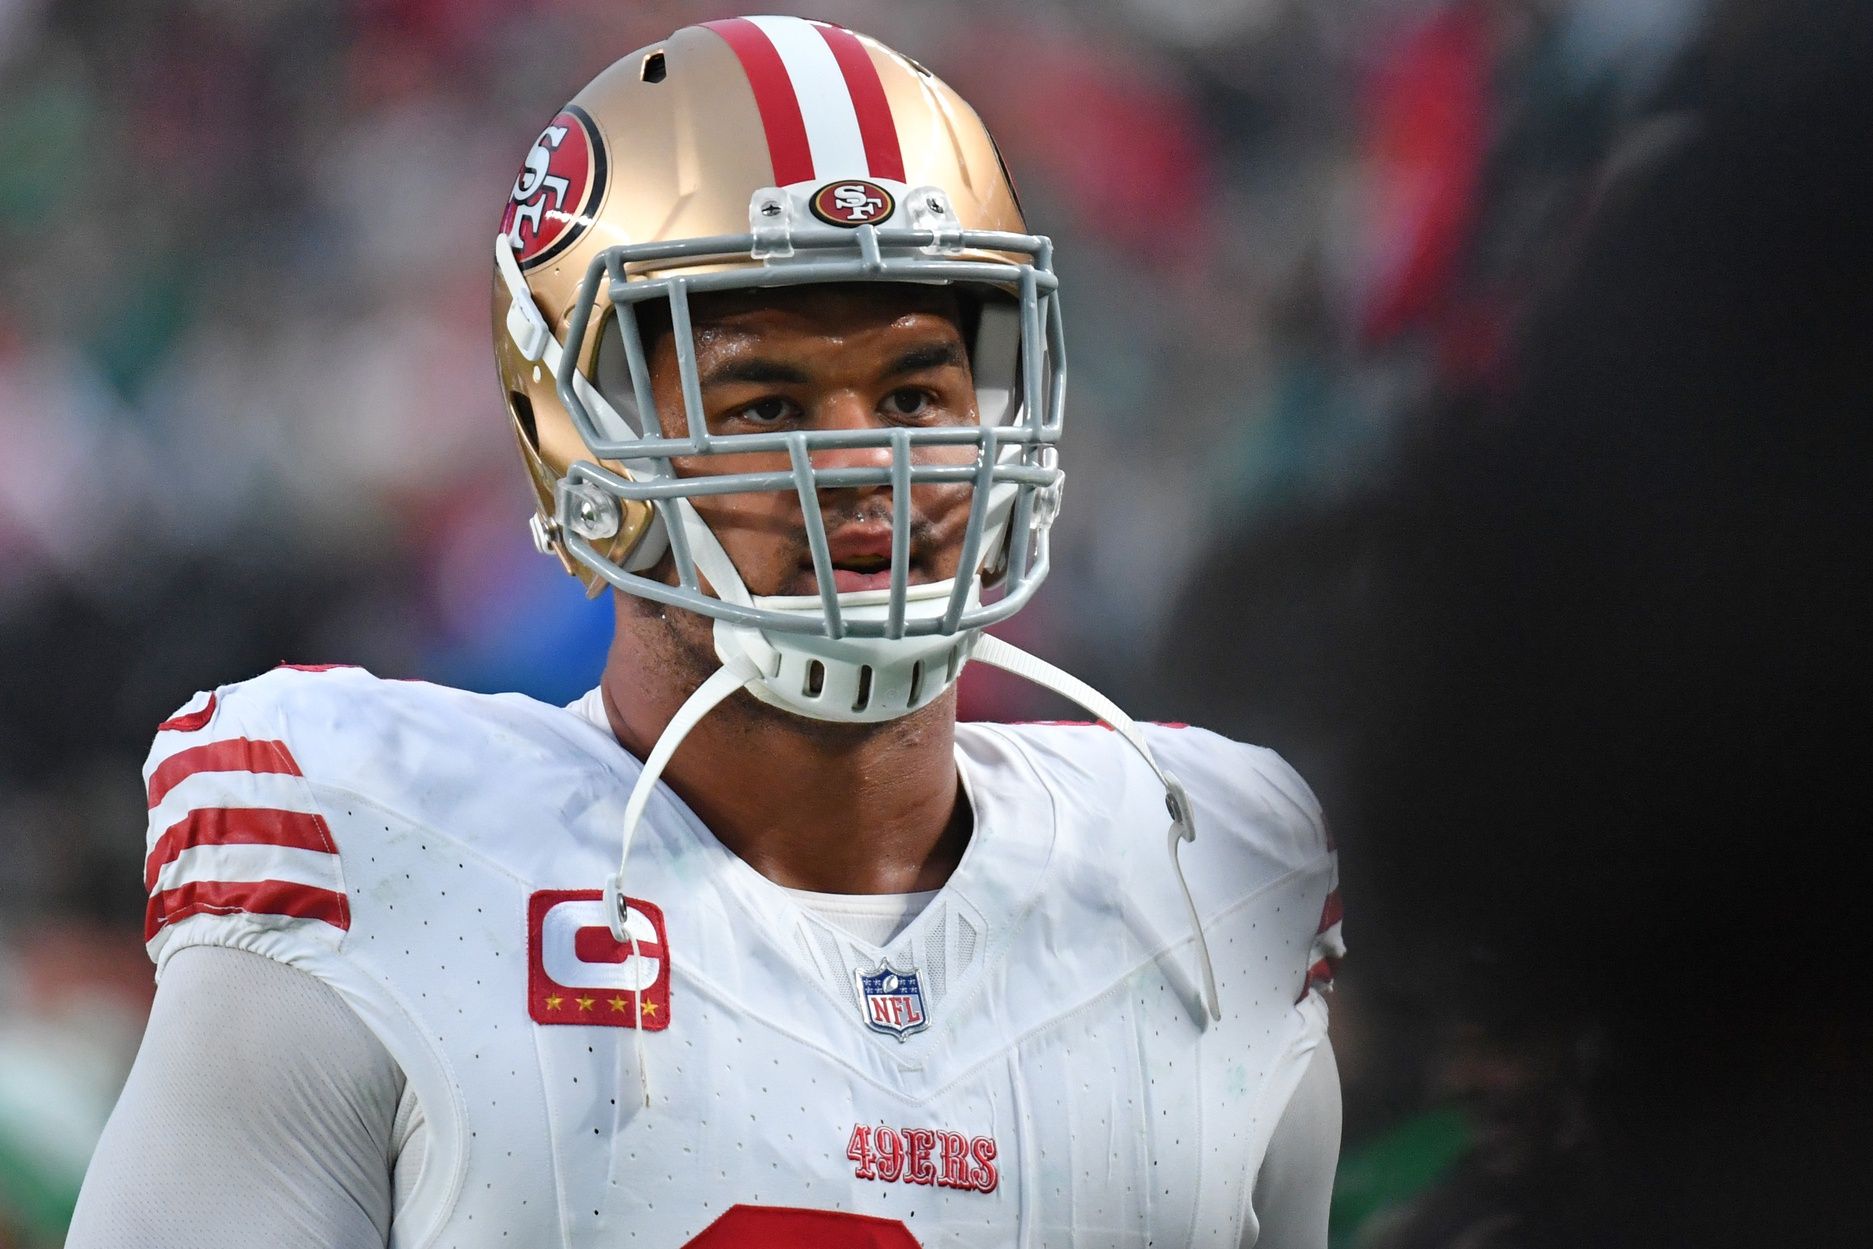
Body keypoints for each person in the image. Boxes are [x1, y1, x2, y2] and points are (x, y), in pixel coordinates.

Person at [66, 16, 1343, 1248]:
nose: (865, 466)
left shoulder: (1207, 880)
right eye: (764, 400)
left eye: (914, 390)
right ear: (580, 436)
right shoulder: (384, 865)